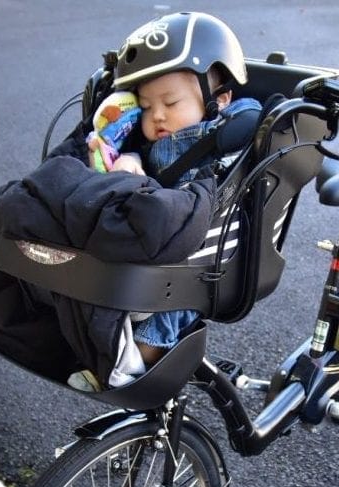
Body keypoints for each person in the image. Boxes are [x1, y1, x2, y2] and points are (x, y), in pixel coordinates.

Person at [99, 11, 261, 367]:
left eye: (170, 103)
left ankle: (138, 361)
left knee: (165, 314)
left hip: (197, 254)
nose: (156, 116)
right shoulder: (142, 140)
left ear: (217, 100)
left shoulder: (226, 127)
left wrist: (234, 119)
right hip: (151, 237)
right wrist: (127, 159)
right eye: (145, 107)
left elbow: (251, 112)